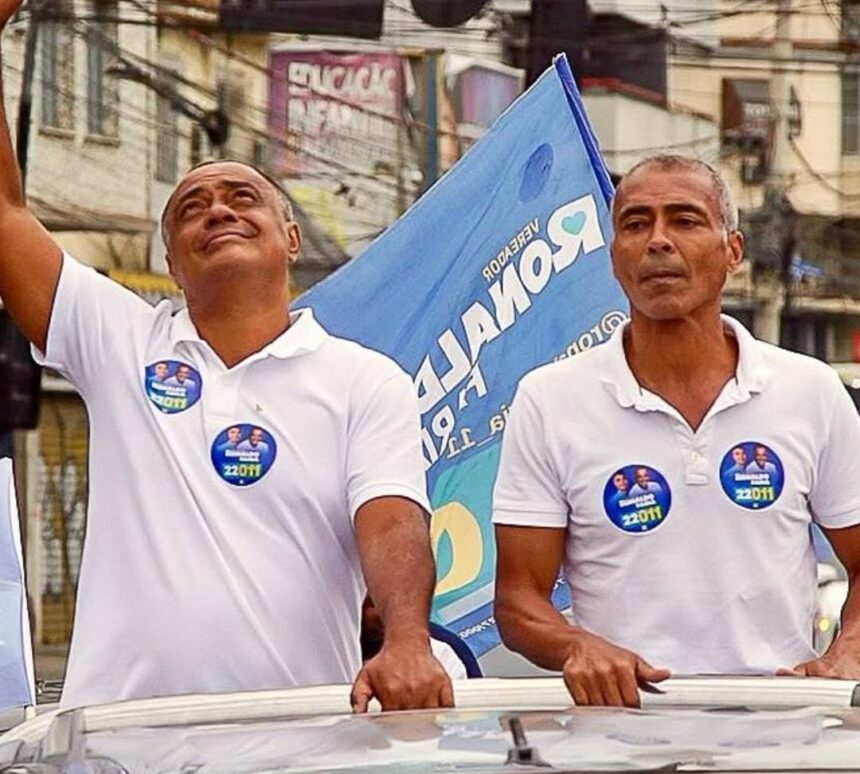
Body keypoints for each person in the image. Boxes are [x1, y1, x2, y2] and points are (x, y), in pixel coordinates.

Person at [0, 0, 451, 711]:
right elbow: (5, 216)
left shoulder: (365, 381)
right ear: (172, 263)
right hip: (120, 747)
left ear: (291, 240)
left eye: (243, 198)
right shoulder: (121, 341)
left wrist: (405, 641)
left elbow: (392, 519)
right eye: (191, 208)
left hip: (301, 745)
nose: (217, 210)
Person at [492, 154, 860, 708]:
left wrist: (846, 650)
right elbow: (518, 601)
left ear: (732, 251)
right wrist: (577, 647)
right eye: (635, 224)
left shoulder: (810, 391)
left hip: (780, 737)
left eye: (685, 220)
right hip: (617, 739)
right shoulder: (549, 400)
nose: (658, 241)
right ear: (613, 257)